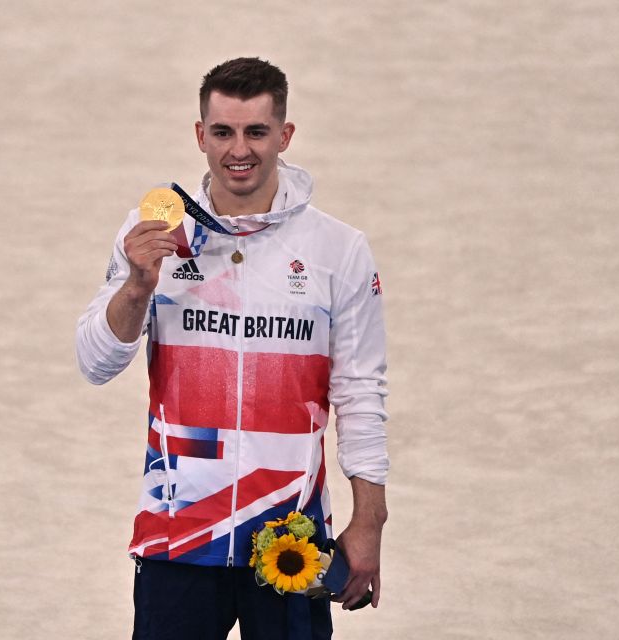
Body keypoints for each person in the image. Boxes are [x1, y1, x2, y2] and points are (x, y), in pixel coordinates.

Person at [76, 57, 389, 640]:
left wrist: (370, 520)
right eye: (222, 132)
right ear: (200, 136)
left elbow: (360, 395)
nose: (238, 150)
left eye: (255, 131)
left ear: (284, 135)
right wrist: (138, 285)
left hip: (289, 542)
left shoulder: (337, 250)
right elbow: (95, 362)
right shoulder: (153, 235)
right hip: (179, 535)